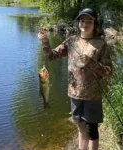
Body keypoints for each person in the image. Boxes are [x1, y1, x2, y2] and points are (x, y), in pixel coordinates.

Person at [38, 8, 112, 150]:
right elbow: (51, 56)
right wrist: (45, 41)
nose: (85, 23)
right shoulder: (71, 41)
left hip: (93, 94)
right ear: (78, 22)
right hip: (74, 92)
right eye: (82, 20)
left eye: (89, 20)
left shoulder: (101, 44)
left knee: (92, 130)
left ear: (95, 23)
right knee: (80, 127)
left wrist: (92, 62)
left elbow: (108, 71)